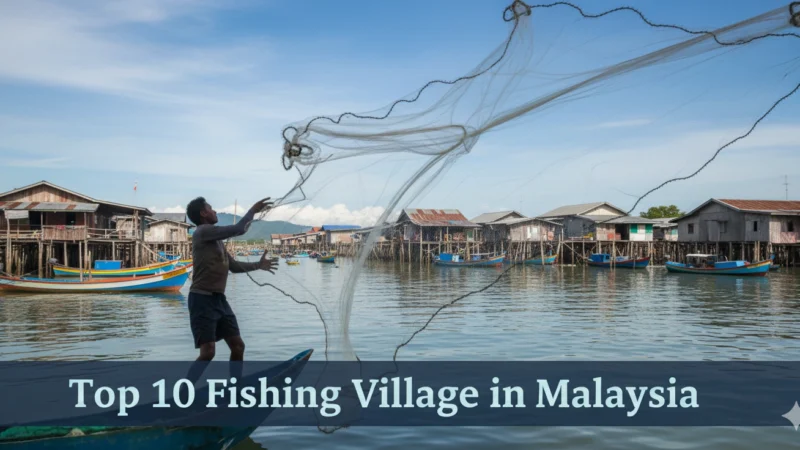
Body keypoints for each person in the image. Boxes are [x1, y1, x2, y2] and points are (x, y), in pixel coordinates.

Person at [185, 196, 278, 362]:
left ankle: (235, 379)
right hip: (201, 299)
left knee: (238, 346)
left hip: (219, 300)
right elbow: (239, 229)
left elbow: (233, 266)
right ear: (203, 213)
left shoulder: (216, 241)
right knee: (208, 352)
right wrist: (253, 210)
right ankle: (185, 381)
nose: (214, 211)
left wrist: (258, 265)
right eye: (211, 208)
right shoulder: (202, 232)